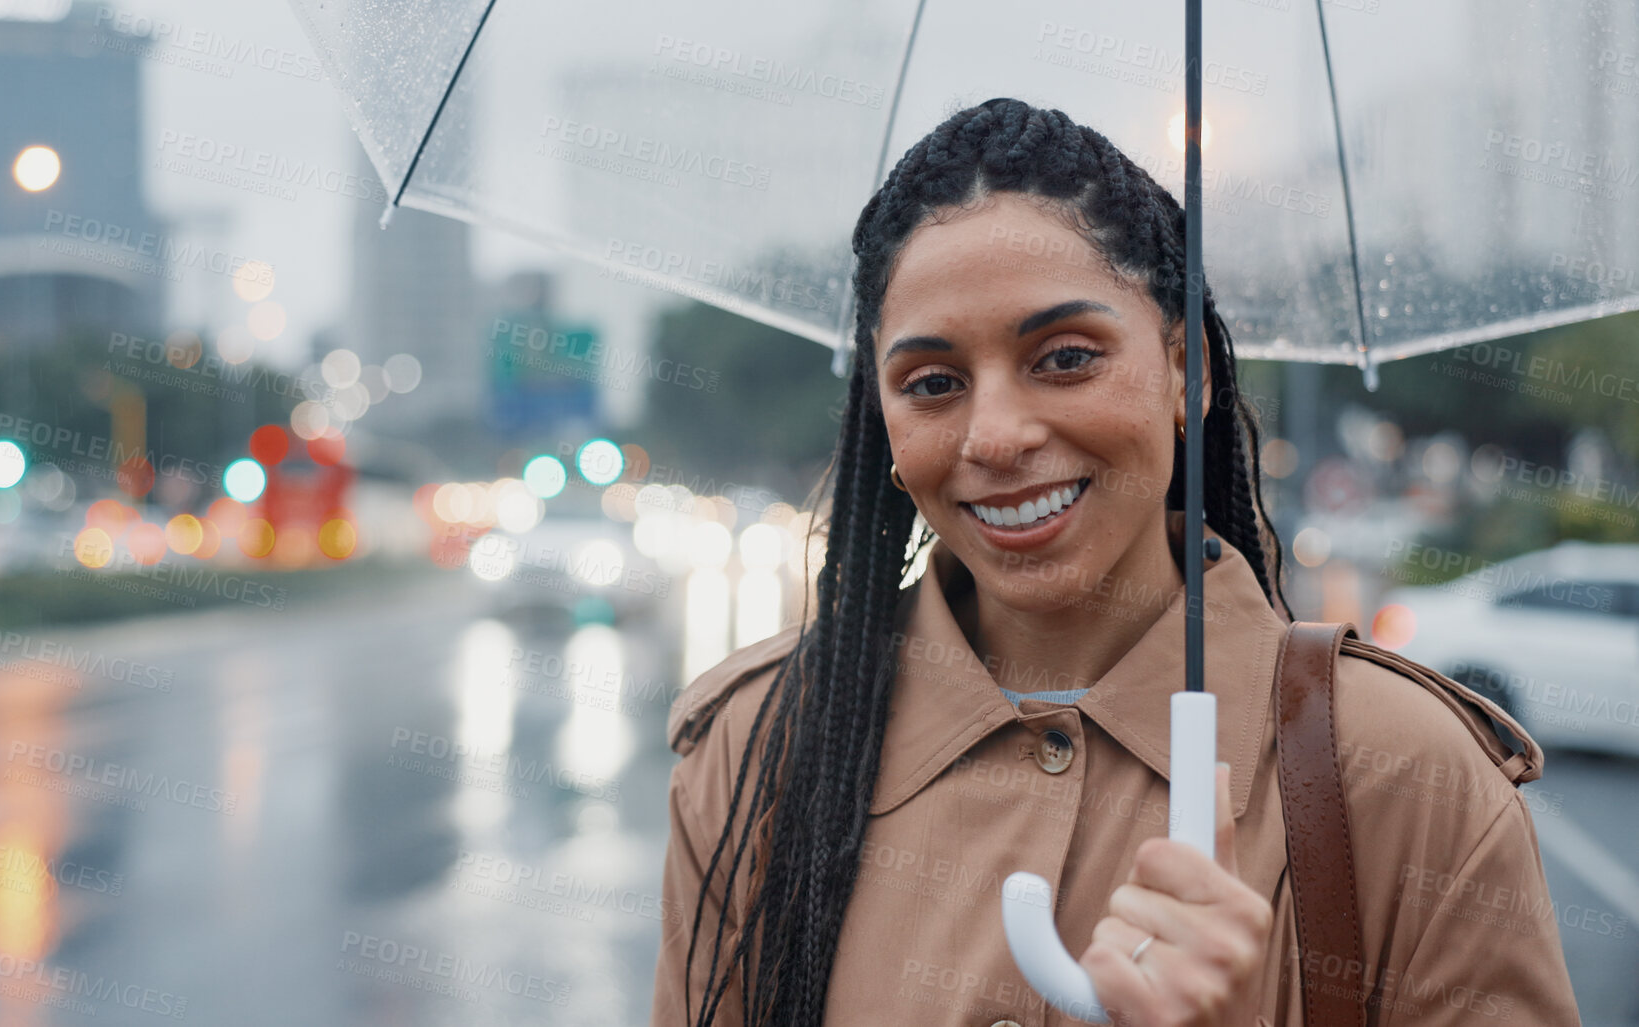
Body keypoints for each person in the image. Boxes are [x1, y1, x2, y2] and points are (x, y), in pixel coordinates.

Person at [648, 97, 1580, 1027]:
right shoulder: (752, 750)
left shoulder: (1405, 774)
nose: (998, 437)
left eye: (1063, 357)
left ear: (1188, 372)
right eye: (932, 383)